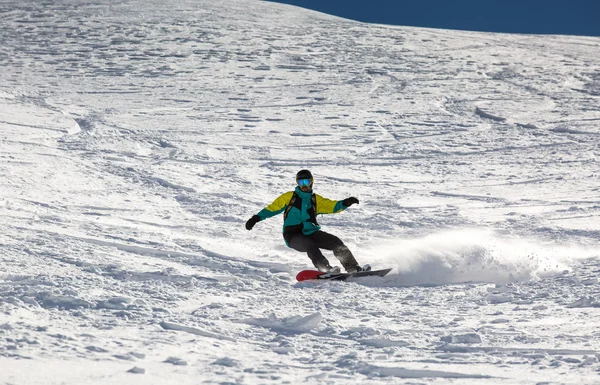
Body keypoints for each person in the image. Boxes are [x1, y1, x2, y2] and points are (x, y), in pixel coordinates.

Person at [245, 169, 369, 274]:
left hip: (311, 232)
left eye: (306, 181)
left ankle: (353, 268)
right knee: (310, 245)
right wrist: (256, 218)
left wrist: (345, 203)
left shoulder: (315, 200)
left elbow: (332, 206)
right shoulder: (289, 197)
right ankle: (325, 269)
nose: (304, 185)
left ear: (311, 182)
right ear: (297, 183)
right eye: (301, 182)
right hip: (292, 236)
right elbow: (272, 209)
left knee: (335, 242)